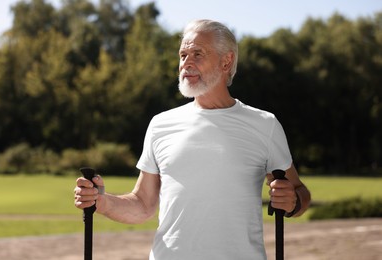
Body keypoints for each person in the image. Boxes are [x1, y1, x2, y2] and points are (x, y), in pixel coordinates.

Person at [74, 19, 311, 260]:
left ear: (226, 61)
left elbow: (300, 192)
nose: (186, 63)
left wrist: (292, 202)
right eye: (183, 55)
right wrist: (101, 202)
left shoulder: (264, 124)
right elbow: (143, 204)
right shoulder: (160, 124)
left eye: (198, 54)